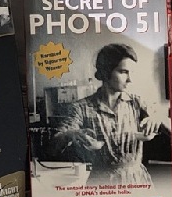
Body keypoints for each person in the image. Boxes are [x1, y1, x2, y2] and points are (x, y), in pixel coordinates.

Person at [50, 43, 162, 185]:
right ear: (106, 71)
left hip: (136, 180)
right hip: (101, 183)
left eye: (131, 72)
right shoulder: (81, 108)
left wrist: (156, 118)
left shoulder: (136, 102)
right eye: (123, 72)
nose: (130, 79)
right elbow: (54, 144)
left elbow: (161, 115)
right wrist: (71, 134)